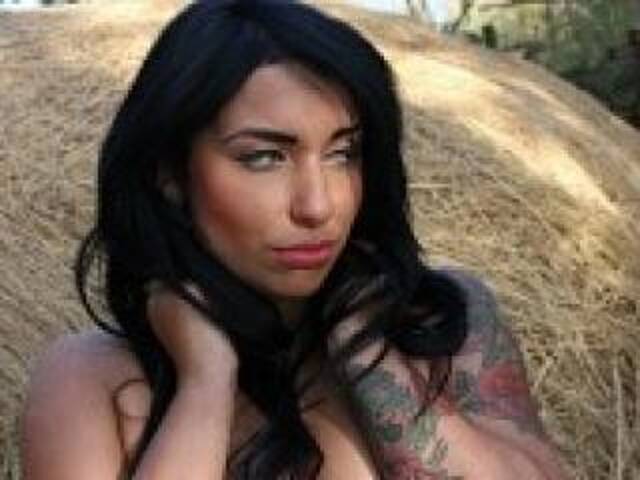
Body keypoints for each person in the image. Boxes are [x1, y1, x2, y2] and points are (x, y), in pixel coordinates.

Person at [20, 1, 567, 478]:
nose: (318, 206)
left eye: (342, 153)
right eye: (265, 157)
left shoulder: (443, 323)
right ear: (170, 174)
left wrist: (364, 345)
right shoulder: (89, 380)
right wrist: (205, 383)